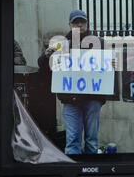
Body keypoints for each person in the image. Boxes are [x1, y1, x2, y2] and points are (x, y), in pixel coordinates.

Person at [38, 10, 107, 155]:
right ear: (70, 24)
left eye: (82, 21)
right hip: (70, 100)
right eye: (76, 22)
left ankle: (91, 171)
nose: (80, 24)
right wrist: (46, 57)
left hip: (92, 99)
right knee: (72, 140)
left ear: (87, 24)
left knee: (91, 140)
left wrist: (113, 62)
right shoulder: (60, 45)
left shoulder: (100, 43)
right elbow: (44, 67)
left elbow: (111, 67)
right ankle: (74, 172)